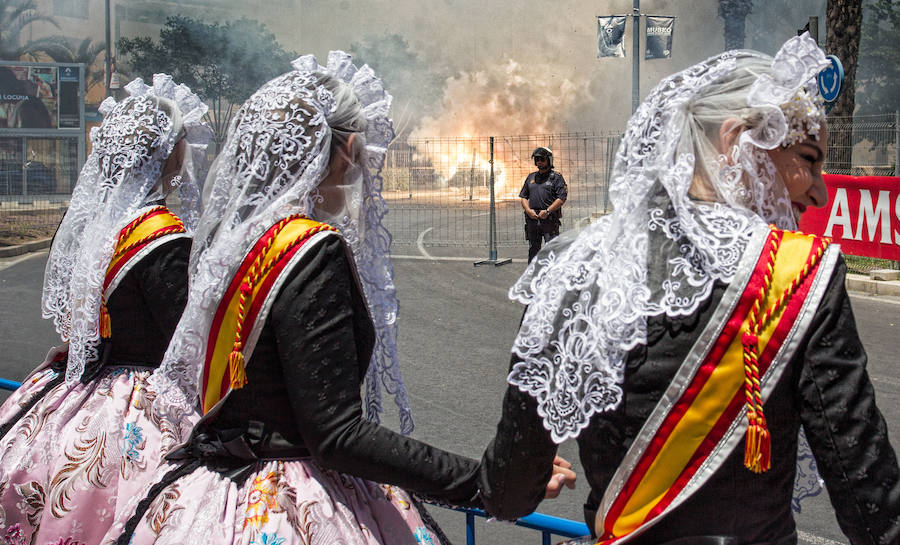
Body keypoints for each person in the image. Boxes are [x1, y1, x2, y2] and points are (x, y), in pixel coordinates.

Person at [102, 51, 540, 545]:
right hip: (288, 502)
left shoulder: (231, 237)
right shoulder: (311, 250)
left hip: (211, 490)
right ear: (347, 148)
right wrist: (480, 482)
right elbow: (336, 434)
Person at [479, 34, 900, 545]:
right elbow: (872, 504)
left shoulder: (574, 266)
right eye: (808, 159)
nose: (820, 190)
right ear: (734, 142)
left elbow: (507, 492)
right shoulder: (798, 272)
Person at [0, 74, 211, 544]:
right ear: (168, 152)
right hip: (139, 405)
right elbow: (185, 341)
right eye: (182, 142)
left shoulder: (93, 222)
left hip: (78, 389)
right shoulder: (161, 235)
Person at [520, 146, 567, 262]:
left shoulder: (556, 178)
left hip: (549, 220)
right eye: (537, 159)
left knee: (551, 250)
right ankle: (533, 276)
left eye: (542, 159)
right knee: (533, 250)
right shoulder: (531, 177)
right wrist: (528, 210)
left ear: (549, 160)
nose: (539, 162)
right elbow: (523, 197)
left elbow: (561, 198)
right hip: (532, 219)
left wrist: (547, 211)